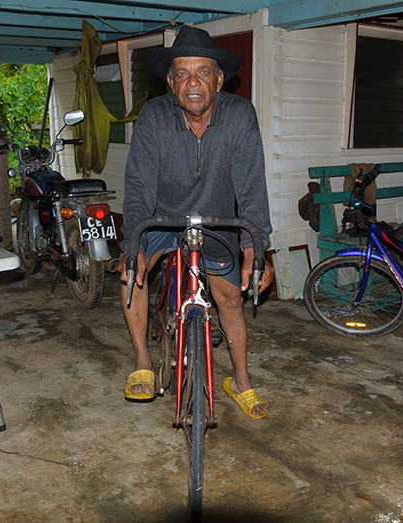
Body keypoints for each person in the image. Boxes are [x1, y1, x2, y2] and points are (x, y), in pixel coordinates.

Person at [118, 25, 274, 419]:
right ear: (170, 81)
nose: (193, 83)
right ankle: (142, 362)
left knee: (231, 298)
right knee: (130, 274)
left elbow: (252, 184)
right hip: (160, 220)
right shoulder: (153, 117)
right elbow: (137, 186)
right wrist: (133, 245)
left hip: (217, 222)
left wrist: (257, 245)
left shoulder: (239, 116)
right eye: (182, 73)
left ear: (219, 79)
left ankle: (240, 381)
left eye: (203, 72)